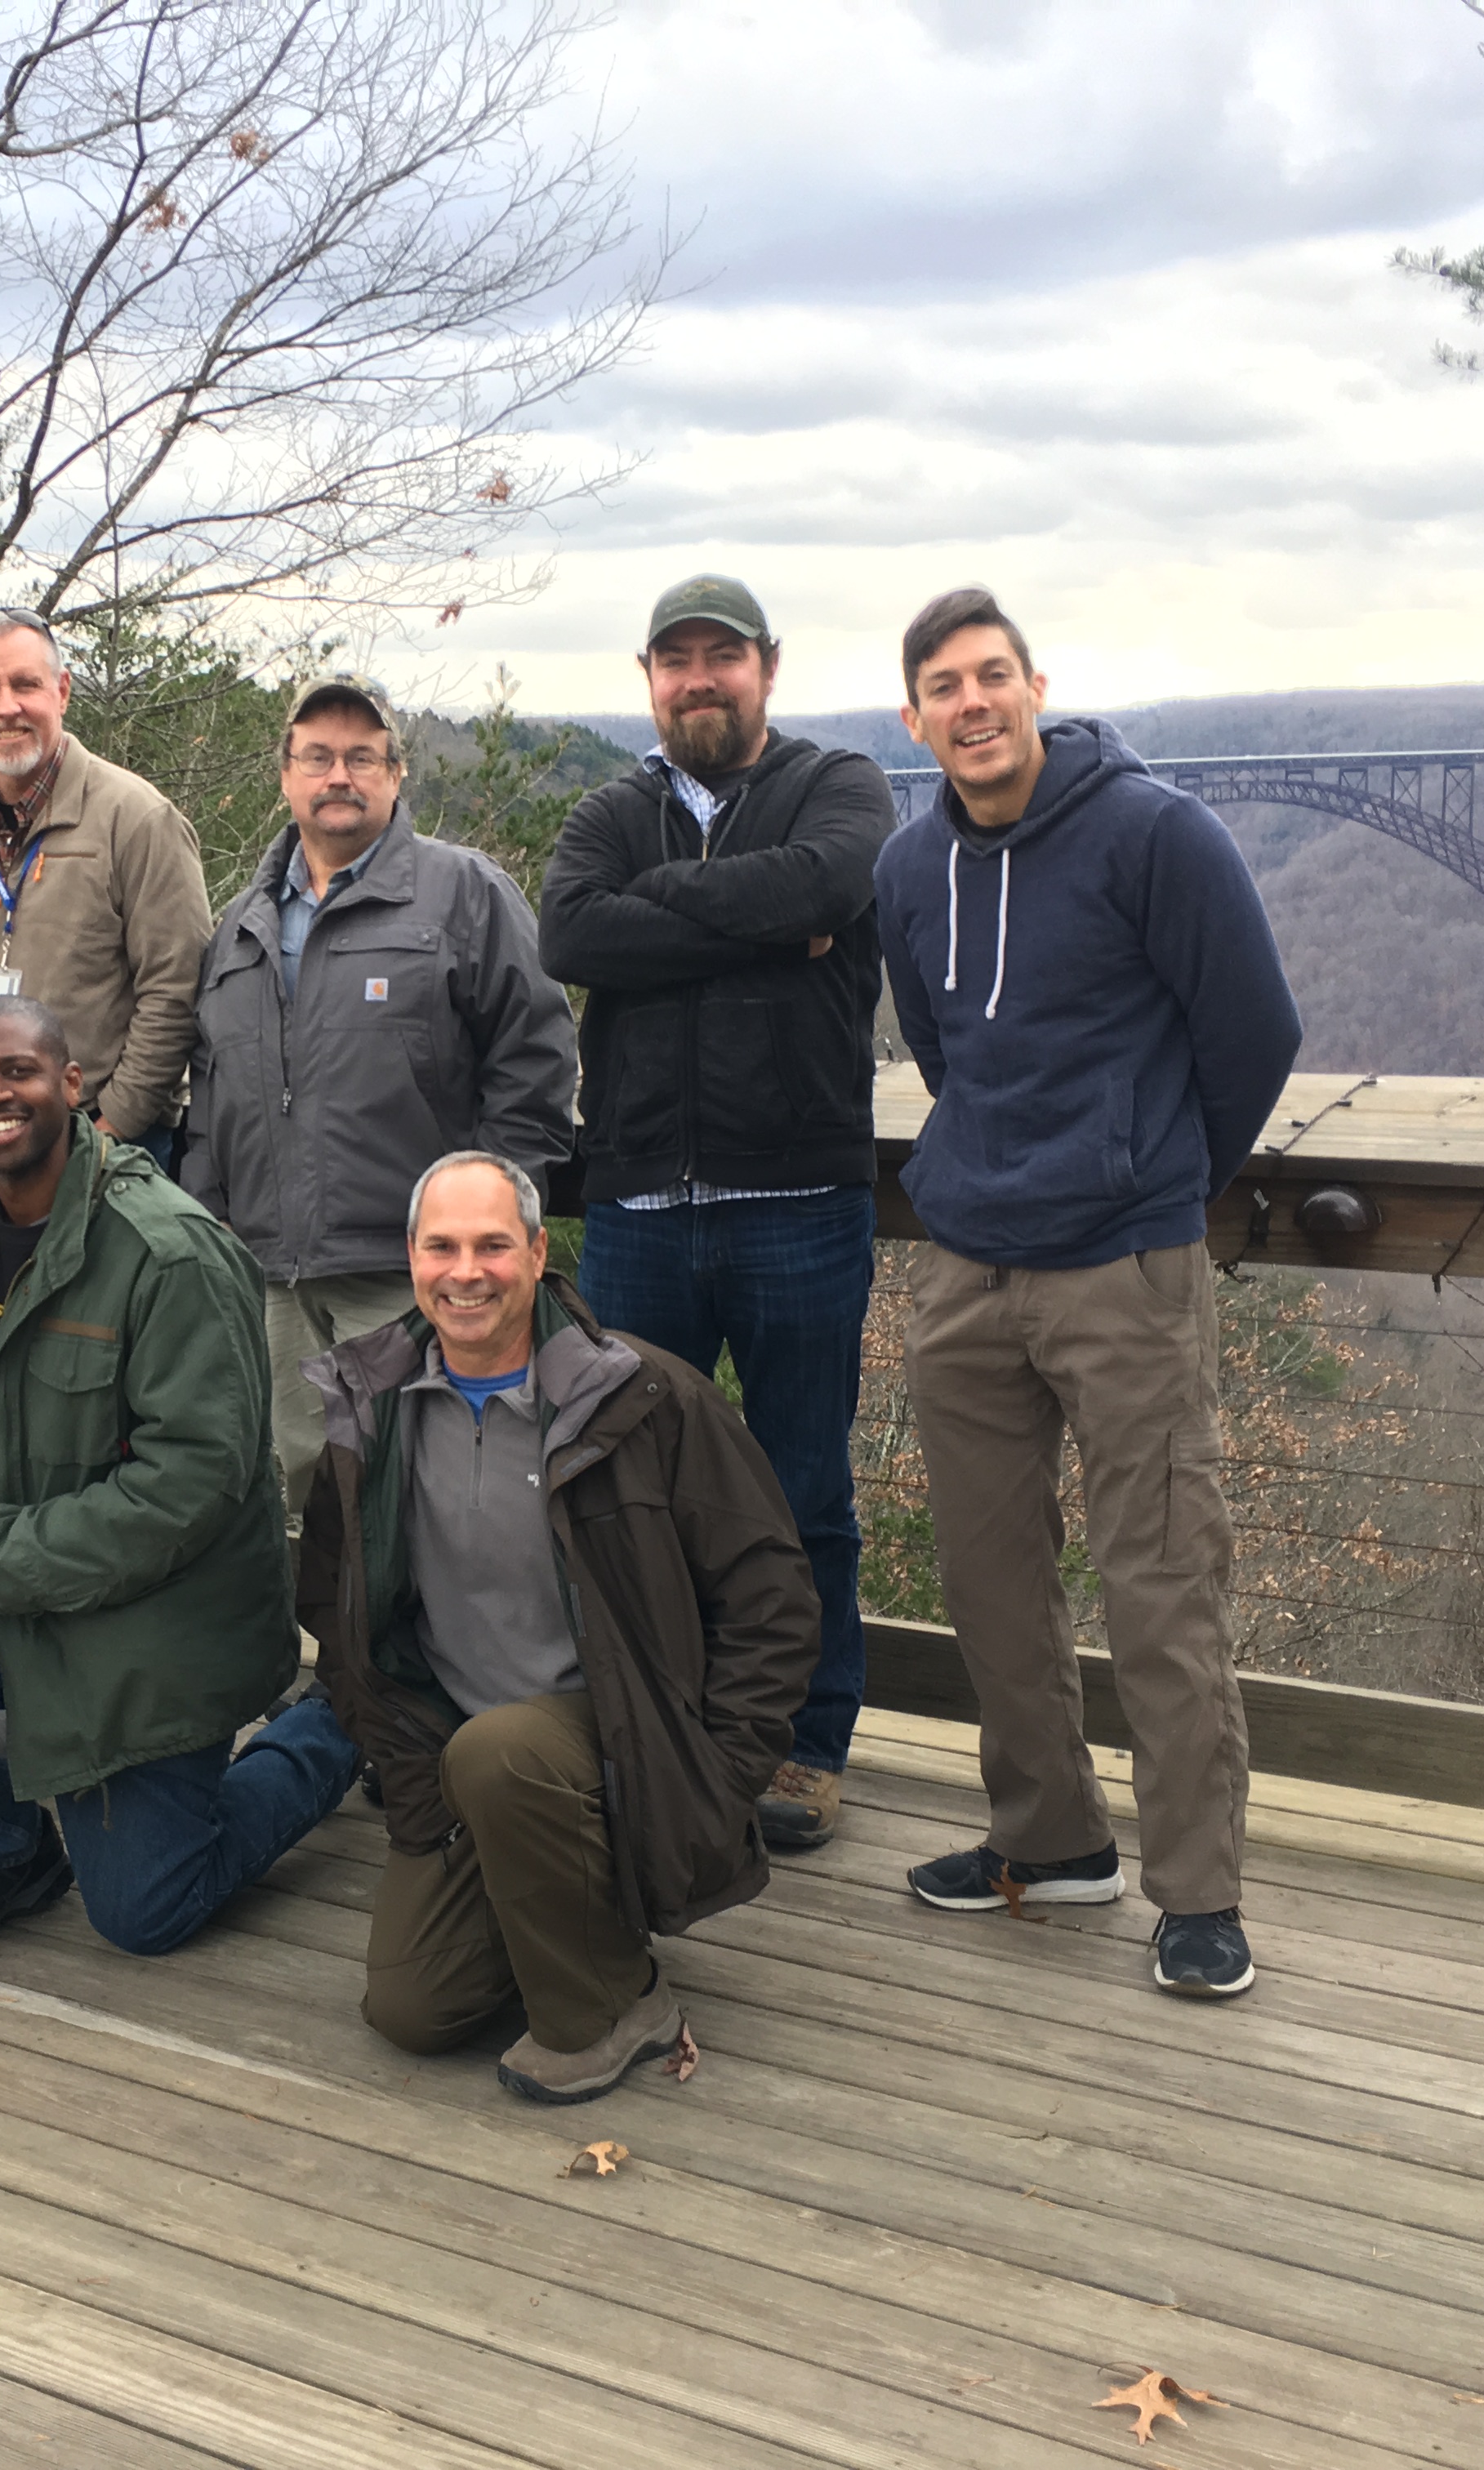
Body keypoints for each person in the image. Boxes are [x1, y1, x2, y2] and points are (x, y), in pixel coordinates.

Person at [874, 586, 1302, 2000]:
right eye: (945, 685)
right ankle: (1048, 1838)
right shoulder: (907, 864)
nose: (973, 702)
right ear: (914, 714)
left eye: (993, 676)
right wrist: (993, 1172)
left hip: (1124, 1263)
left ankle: (1196, 1890)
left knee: (1160, 1582)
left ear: (1034, 685)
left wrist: (1150, 1179)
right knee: (991, 1580)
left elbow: (1251, 1030)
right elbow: (944, 1044)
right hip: (964, 1261)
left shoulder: (1154, 834)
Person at [0, 996, 363, 1964]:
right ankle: (9, 1857)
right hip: (17, 1587)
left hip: (153, 1622)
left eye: (16, 1071)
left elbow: (198, 1484)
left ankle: (335, 1725)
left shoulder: (166, 1250)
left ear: (71, 1084)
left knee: (145, 1911)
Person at [297, 1153, 821, 2102]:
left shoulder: (641, 1398)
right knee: (412, 2011)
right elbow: (337, 1621)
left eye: (494, 1245)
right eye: (441, 1246)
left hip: (622, 1743)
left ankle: (619, 2007)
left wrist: (724, 1771)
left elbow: (771, 1594)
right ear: (410, 1257)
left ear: (539, 1254)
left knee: (506, 1752)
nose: (467, 1272)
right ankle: (556, 1903)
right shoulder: (368, 1410)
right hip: (459, 1762)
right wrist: (406, 1764)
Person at [537, 574, 898, 1861]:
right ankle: (666, 1717)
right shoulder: (608, 810)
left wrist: (682, 917)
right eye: (677, 660)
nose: (700, 679)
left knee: (805, 1487)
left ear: (767, 669)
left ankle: (807, 1742)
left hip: (799, 1199)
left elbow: (831, 885)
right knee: (637, 1488)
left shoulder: (842, 785)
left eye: (722, 658)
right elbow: (570, 931)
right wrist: (762, 919)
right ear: (649, 678)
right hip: (637, 1204)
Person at [182, 672, 576, 1509]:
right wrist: (208, 1220)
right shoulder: (242, 923)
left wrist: (491, 1222)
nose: (339, 776)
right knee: (305, 1494)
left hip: (413, 1274)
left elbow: (536, 1059)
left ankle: (430, 1648)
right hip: (273, 1276)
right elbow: (212, 1085)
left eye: (362, 757)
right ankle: (331, 1645)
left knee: (431, 1492)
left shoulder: (463, 894)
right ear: (286, 776)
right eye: (318, 756)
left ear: (396, 775)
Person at [0, 611, 211, 1175]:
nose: (7, 706)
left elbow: (175, 988)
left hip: (104, 1139)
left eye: (26, 684)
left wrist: (113, 1126)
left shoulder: (138, 820)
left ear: (62, 691)